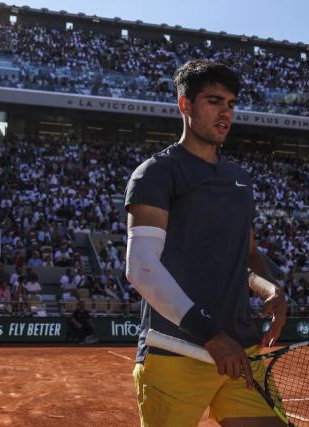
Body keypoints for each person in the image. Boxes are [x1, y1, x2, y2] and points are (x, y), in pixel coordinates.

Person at [125, 60, 287, 427]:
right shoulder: (156, 173)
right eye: (214, 101)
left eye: (231, 103)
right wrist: (211, 336)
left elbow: (245, 256)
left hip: (241, 351)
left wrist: (270, 290)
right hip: (176, 352)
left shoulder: (240, 179)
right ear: (185, 105)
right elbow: (142, 268)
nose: (225, 112)